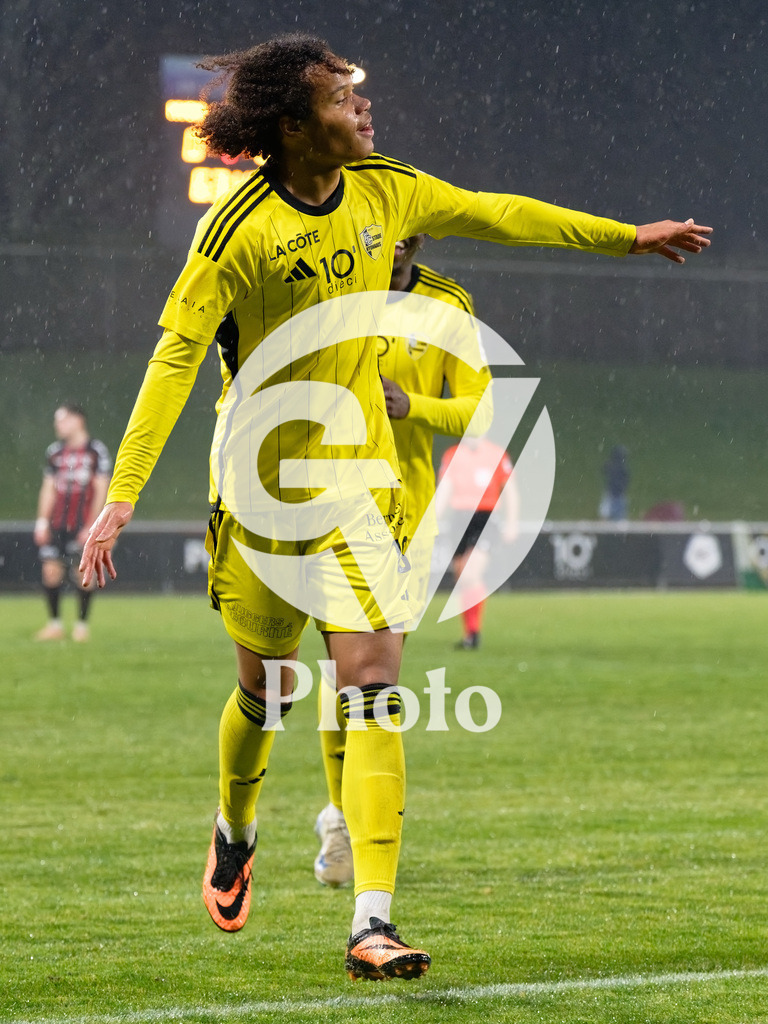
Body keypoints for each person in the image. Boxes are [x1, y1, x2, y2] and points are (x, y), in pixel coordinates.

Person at [78, 33, 712, 982]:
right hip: (259, 491)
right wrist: (122, 494)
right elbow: (175, 359)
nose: (364, 110)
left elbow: (500, 214)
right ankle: (234, 828)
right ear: (294, 127)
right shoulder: (236, 232)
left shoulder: (389, 187)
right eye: (342, 98)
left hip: (360, 492)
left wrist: (626, 235)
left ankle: (371, 922)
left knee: (374, 688)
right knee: (268, 691)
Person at [313, 234, 492, 888]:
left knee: (370, 682)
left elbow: (482, 410)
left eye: (406, 235)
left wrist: (412, 405)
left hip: (410, 518)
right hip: (329, 503)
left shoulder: (448, 305)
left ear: (419, 233)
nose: (393, 246)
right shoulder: (332, 286)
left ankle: (343, 821)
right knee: (348, 678)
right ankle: (341, 822)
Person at [33, 404, 111, 642]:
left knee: (83, 573)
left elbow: (101, 489)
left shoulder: (96, 451)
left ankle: (81, 627)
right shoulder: (55, 452)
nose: (58, 425)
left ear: (78, 420)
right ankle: (55, 625)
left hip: (83, 523)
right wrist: (41, 522)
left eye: (62, 420)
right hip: (58, 523)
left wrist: (92, 525)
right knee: (51, 570)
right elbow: (48, 489)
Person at [436, 435, 518, 649]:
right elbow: (444, 489)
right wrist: (433, 519)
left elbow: (509, 489)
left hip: (486, 518)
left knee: (472, 574)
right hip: (460, 518)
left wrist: (512, 522)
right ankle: (469, 634)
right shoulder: (452, 455)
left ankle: (474, 634)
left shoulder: (497, 454)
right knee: (462, 577)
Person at [599, 444, 630, 521]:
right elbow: (626, 480)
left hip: (614, 493)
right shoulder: (622, 468)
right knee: (618, 514)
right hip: (616, 493)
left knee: (609, 513)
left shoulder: (613, 466)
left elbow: (604, 469)